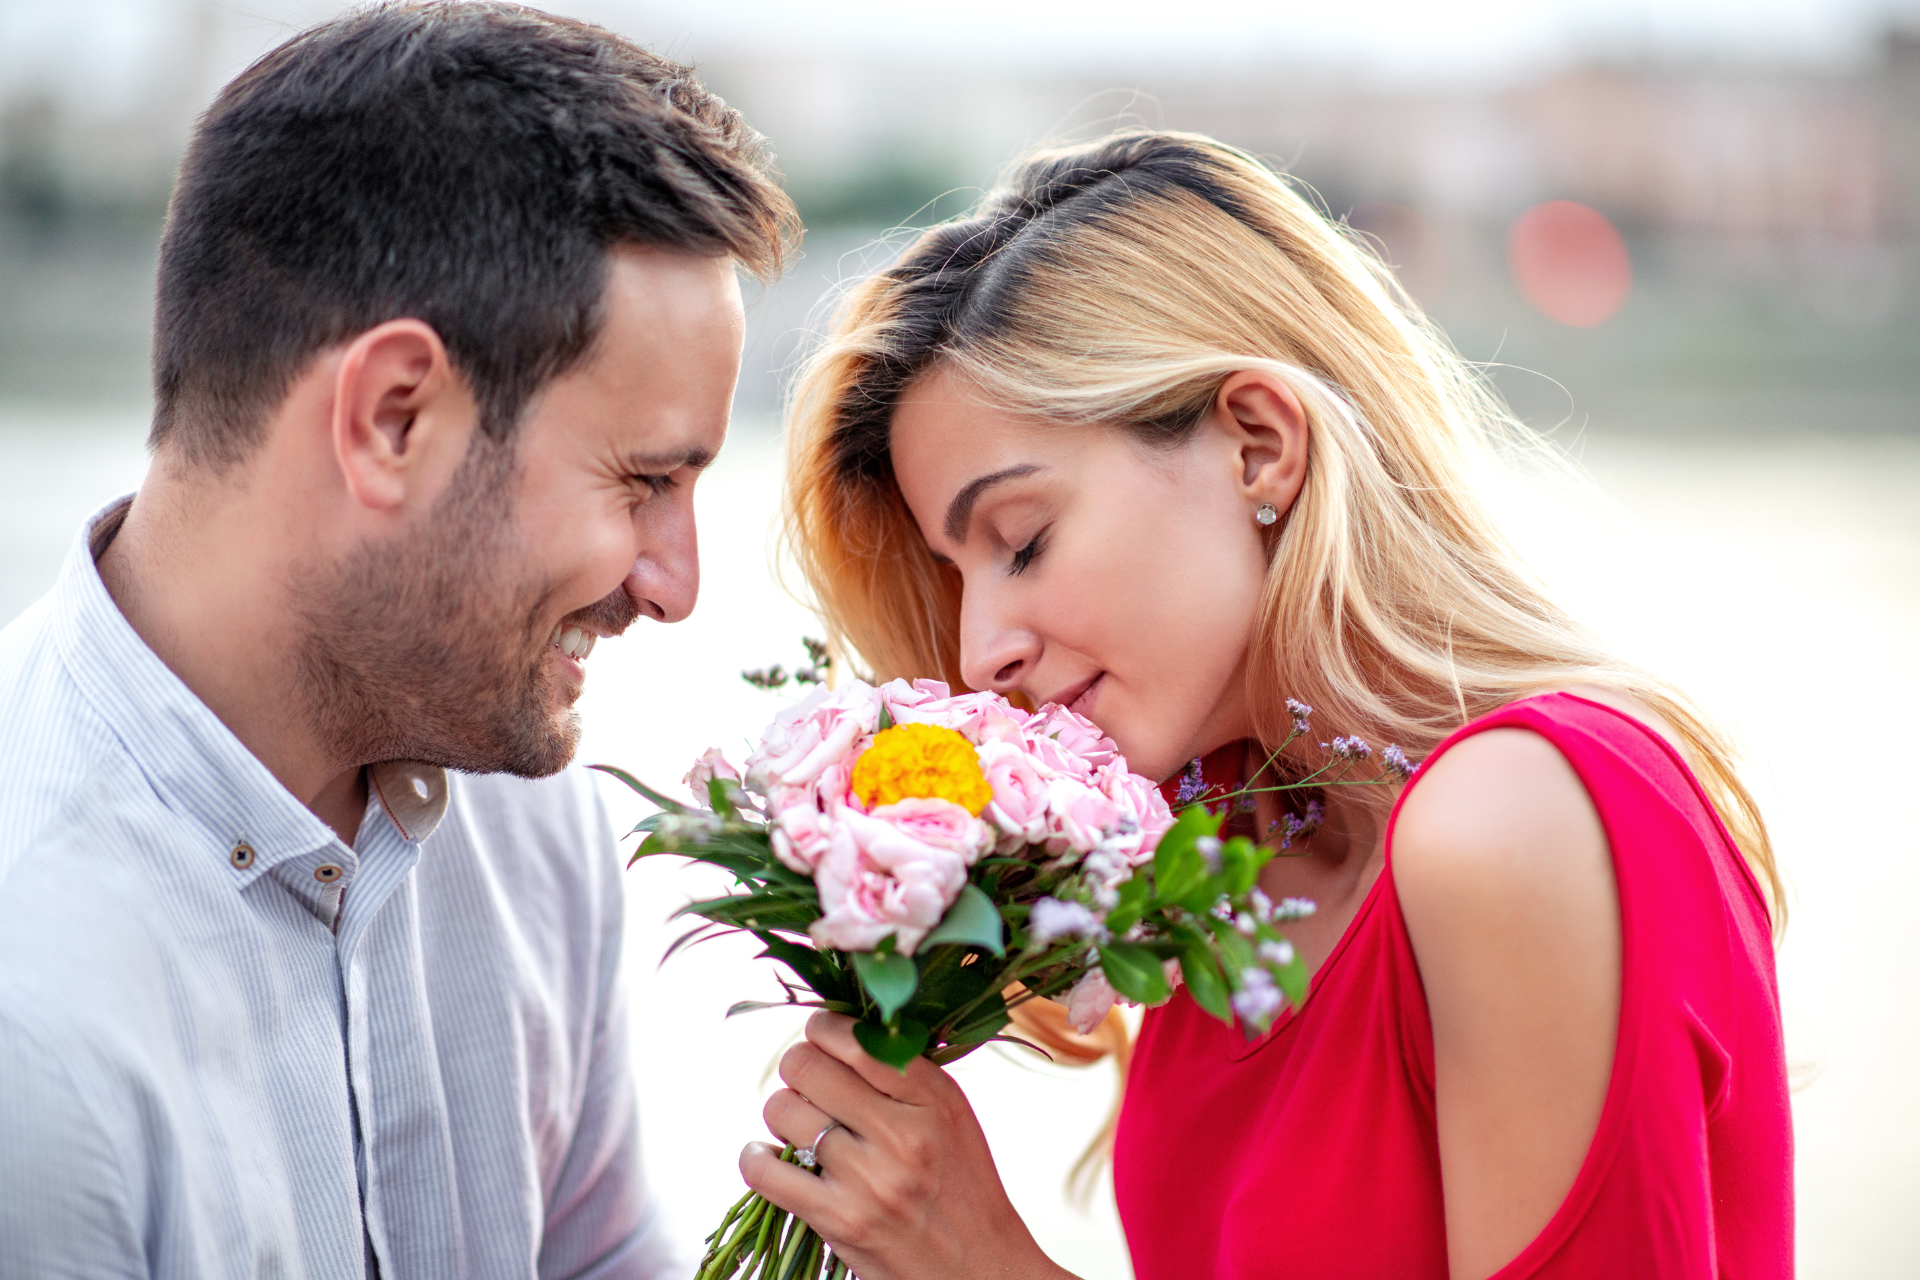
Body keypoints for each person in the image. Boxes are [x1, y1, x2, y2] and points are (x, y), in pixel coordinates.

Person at [742, 132, 1792, 1279]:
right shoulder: (1224, 872)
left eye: (1024, 539)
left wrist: (984, 1262)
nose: (978, 650)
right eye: (956, 579)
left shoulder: (1514, 817)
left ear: (1259, 445)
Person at [0, 4, 795, 1276]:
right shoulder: (29, 1020)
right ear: (391, 418)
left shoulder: (527, 801)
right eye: (645, 479)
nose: (675, 585)